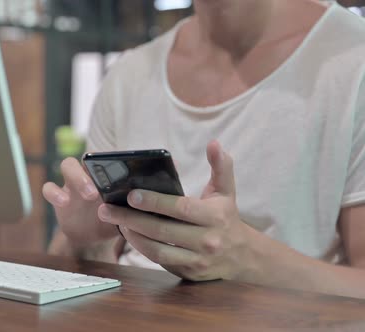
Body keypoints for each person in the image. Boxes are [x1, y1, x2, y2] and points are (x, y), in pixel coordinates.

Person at [42, 0, 365, 298]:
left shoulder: (353, 60)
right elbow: (77, 266)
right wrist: (85, 241)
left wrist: (249, 260)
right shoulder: (131, 74)